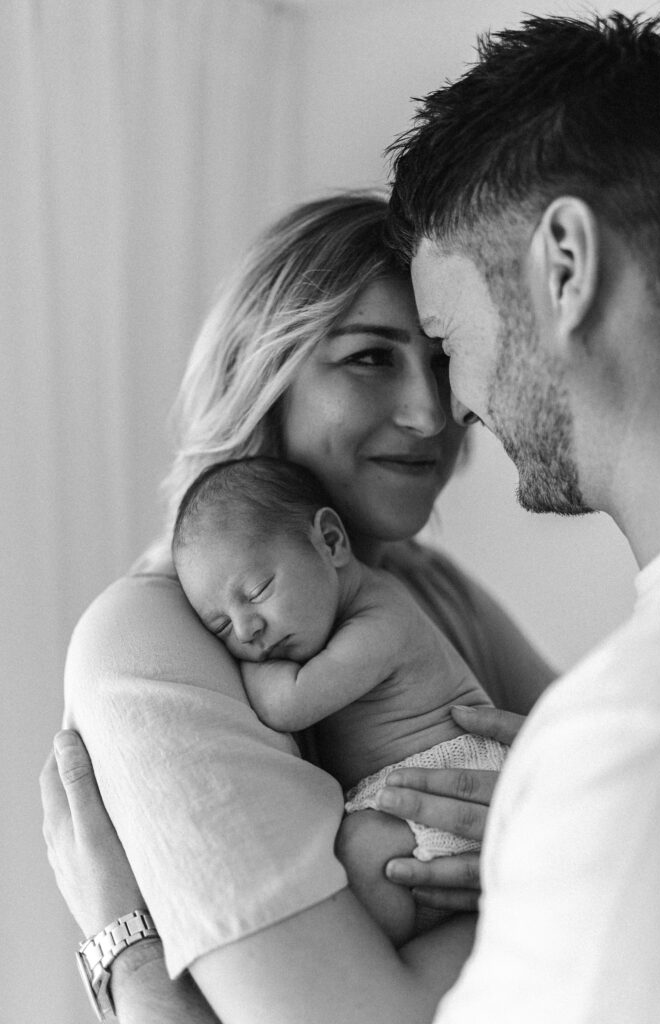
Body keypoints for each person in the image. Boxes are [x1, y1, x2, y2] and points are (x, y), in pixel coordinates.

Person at [40, 192, 552, 1024]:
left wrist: (561, 822)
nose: (432, 413)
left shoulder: (425, 587)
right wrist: (551, 862)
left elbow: (640, 804)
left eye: (442, 357)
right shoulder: (149, 640)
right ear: (263, 372)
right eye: (369, 358)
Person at [387, 10, 660, 1022]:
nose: (447, 408)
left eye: (442, 338)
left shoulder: (631, 738)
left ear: (562, 263)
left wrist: (141, 971)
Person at [172, 454, 508, 944]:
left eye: (259, 590)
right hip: (413, 792)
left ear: (330, 542)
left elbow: (286, 704)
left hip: (454, 786)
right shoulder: (333, 617)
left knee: (361, 853)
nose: (246, 630)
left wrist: (243, 663)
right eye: (219, 626)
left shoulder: (382, 621)